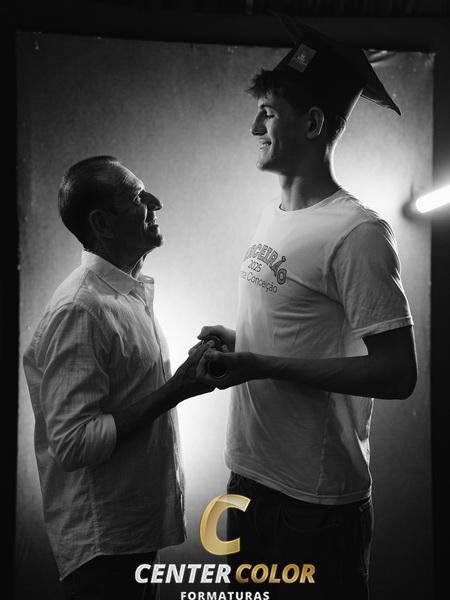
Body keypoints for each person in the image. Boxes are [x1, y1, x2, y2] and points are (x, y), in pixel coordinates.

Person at [195, 16, 417, 600]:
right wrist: (241, 341)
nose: (254, 127)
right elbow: (302, 329)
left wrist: (261, 364)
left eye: (268, 113)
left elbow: (397, 374)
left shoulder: (358, 233)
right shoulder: (276, 213)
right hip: (249, 480)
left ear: (314, 123)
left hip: (315, 507)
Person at [23, 156, 215, 600]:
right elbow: (73, 443)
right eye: (137, 196)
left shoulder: (125, 295)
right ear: (102, 224)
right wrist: (175, 390)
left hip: (128, 539)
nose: (155, 202)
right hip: (104, 553)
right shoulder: (81, 309)